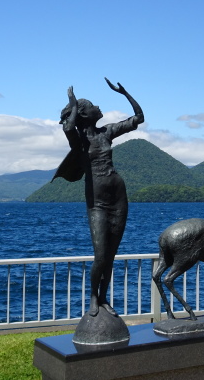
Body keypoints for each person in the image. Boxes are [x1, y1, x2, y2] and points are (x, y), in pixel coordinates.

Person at [53, 78, 144, 317]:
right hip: (97, 203)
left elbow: (138, 118)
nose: (98, 107)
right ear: (84, 114)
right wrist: (73, 103)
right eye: (93, 105)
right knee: (100, 255)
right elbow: (68, 128)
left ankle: (104, 297)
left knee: (110, 256)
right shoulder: (80, 141)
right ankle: (93, 297)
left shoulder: (107, 132)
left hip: (118, 197)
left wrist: (125, 93)